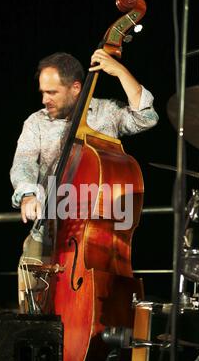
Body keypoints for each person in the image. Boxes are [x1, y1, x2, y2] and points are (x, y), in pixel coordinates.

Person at [10, 49, 159, 311]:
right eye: (43, 92)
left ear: (76, 87)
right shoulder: (36, 122)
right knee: (30, 314)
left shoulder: (106, 112)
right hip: (47, 231)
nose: (45, 99)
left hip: (95, 238)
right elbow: (23, 163)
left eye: (52, 93)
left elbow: (146, 118)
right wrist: (28, 193)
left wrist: (120, 72)